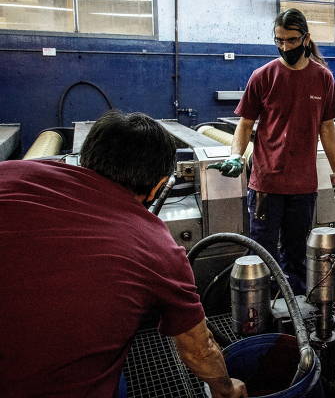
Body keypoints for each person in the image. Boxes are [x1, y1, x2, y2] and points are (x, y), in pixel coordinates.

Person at [0, 111, 246, 398]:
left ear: (86, 156)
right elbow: (198, 350)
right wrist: (225, 389)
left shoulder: (10, 171)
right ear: (157, 186)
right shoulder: (156, 246)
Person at [209, 8, 335, 295]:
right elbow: (245, 124)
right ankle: (262, 312)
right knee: (262, 255)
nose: (285, 47)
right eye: (279, 41)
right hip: (266, 186)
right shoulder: (263, 76)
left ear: (306, 39)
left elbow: (327, 129)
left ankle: (293, 309)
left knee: (296, 255)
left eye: (292, 41)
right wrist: (236, 154)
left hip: (302, 187)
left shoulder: (322, 78)